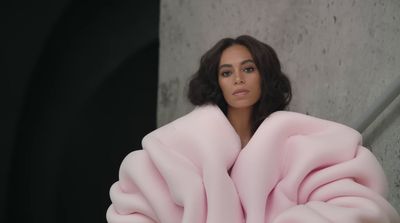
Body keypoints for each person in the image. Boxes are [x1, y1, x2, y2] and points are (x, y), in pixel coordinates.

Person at [106, 35, 399, 223]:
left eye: (248, 69)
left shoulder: (290, 141)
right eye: (226, 72)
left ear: (263, 75)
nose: (237, 79)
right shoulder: (185, 142)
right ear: (216, 82)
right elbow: (135, 201)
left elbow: (357, 205)